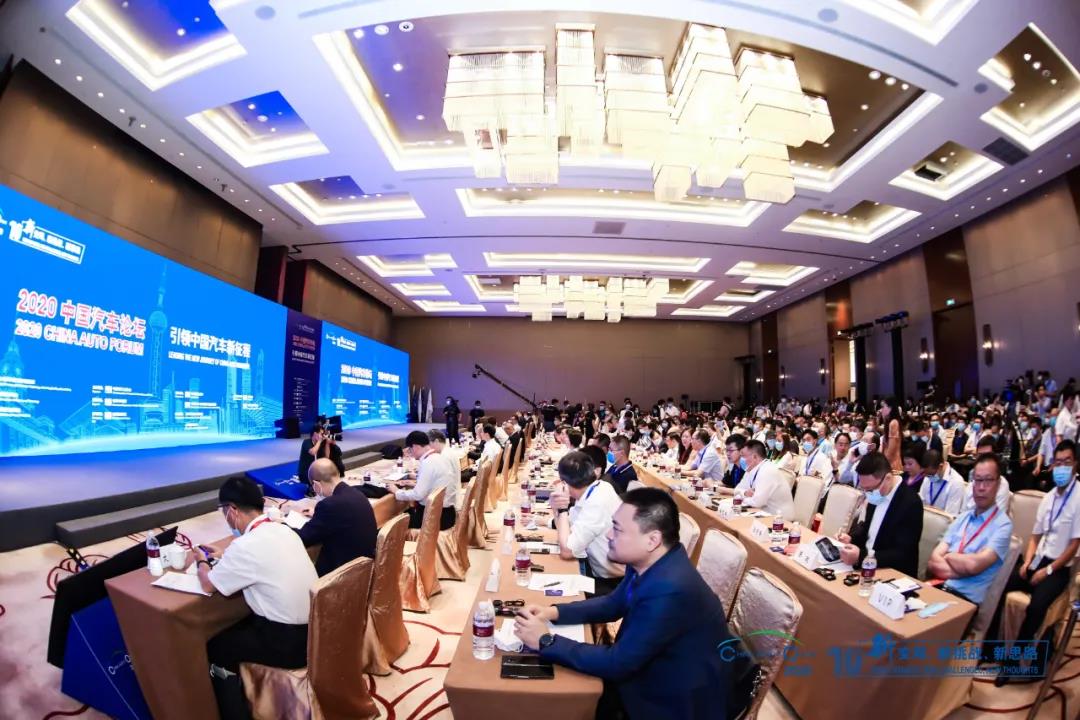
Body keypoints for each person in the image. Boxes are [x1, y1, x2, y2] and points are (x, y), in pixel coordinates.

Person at [514, 488, 734, 720]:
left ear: (652, 540)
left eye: (617, 529)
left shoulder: (670, 590)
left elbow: (618, 662)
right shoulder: (650, 561)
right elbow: (613, 604)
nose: (609, 535)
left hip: (669, 701)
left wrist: (546, 641)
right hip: (650, 671)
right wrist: (553, 612)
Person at [196, 476, 317, 720]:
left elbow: (209, 584)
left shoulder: (245, 546)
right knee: (240, 626)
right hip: (315, 631)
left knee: (216, 647)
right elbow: (259, 556)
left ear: (232, 510)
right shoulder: (283, 530)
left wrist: (201, 561)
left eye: (223, 512)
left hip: (288, 643)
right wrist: (227, 554)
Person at [996, 440, 1080, 685]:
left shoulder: (1078, 497)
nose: (1061, 467)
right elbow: (1035, 536)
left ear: (1075, 464)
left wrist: (1048, 570)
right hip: (1038, 559)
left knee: (1036, 608)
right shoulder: (1050, 497)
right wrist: (1028, 561)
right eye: (1058, 462)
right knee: (1002, 584)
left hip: (1059, 566)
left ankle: (1012, 663)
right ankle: (990, 648)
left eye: (1067, 462)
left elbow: (1074, 545)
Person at [927, 454, 1013, 606]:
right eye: (977, 480)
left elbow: (974, 565)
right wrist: (964, 569)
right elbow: (933, 562)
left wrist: (949, 556)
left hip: (964, 601)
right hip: (938, 587)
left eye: (988, 480)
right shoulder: (963, 518)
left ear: (998, 484)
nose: (981, 487)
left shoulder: (1003, 525)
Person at [548, 451, 625, 595]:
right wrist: (556, 507)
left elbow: (567, 551)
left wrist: (562, 508)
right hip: (599, 571)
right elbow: (566, 527)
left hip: (612, 584)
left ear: (564, 483)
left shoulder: (597, 501)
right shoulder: (598, 487)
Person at [837, 451, 923, 578]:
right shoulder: (876, 495)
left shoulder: (911, 503)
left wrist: (861, 556)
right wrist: (851, 539)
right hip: (864, 566)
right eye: (864, 489)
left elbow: (902, 554)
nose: (867, 493)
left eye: (870, 489)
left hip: (891, 573)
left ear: (887, 478)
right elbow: (868, 530)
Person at [292, 458, 378, 576]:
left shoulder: (329, 505)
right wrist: (319, 515)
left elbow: (304, 538)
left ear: (316, 484)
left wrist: (281, 525)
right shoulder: (356, 493)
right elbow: (339, 516)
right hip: (364, 569)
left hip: (341, 575)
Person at [388, 431, 458, 530]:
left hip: (435, 518)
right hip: (447, 514)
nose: (411, 454)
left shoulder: (428, 462)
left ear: (415, 447)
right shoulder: (439, 457)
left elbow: (418, 495)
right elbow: (435, 480)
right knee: (407, 512)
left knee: (391, 525)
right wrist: (416, 482)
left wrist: (396, 491)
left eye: (410, 450)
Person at [730, 439, 795, 520]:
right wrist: (745, 493)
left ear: (754, 457)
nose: (741, 459)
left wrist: (741, 498)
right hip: (761, 513)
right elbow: (736, 490)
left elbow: (757, 502)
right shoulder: (750, 469)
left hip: (780, 520)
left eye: (743, 456)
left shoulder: (767, 470)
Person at [917, 450, 966, 515]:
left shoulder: (956, 482)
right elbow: (920, 501)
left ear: (940, 466)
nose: (927, 477)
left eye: (930, 475)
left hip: (942, 520)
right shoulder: (928, 475)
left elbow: (950, 515)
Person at [298, 426, 344, 494]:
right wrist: (319, 441)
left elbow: (326, 458)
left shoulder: (321, 444)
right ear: (315, 434)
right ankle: (310, 486)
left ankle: (320, 485)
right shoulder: (306, 442)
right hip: (306, 471)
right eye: (321, 434)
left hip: (317, 468)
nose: (322, 436)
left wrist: (327, 444)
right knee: (313, 489)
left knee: (329, 471)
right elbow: (313, 452)